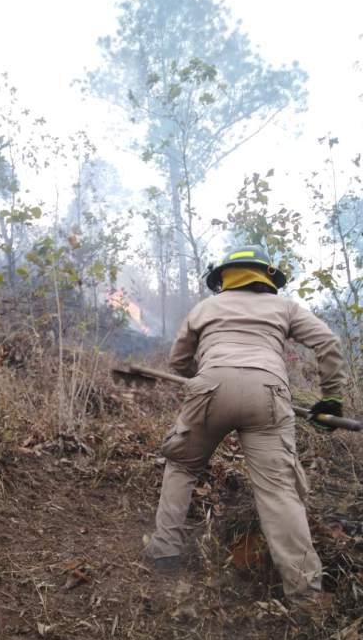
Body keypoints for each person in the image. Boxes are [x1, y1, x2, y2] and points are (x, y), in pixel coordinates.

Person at [142, 246, 346, 605]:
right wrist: (330, 398)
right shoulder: (284, 307)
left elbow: (178, 361)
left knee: (182, 466)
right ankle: (306, 596)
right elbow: (327, 343)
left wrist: (206, 380)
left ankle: (164, 552)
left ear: (224, 277)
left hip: (208, 388)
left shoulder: (205, 308)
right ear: (266, 277)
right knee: (279, 491)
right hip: (267, 393)